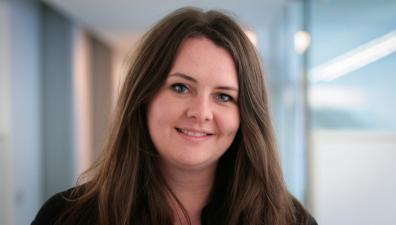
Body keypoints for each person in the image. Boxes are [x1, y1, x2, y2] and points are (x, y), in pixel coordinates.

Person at [32, 7, 317, 225]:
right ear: (144, 96)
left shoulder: (287, 219)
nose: (201, 113)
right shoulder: (67, 216)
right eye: (180, 87)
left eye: (224, 96)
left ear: (246, 116)